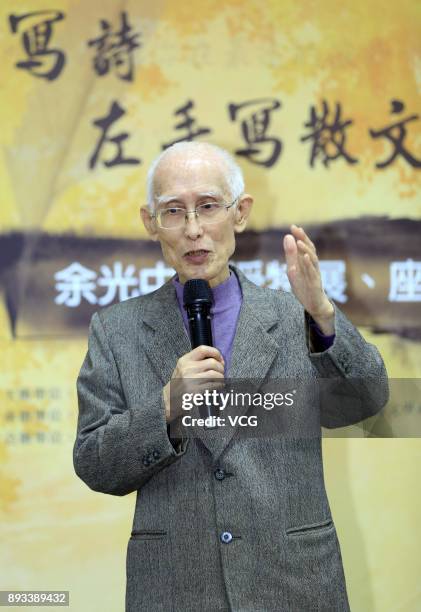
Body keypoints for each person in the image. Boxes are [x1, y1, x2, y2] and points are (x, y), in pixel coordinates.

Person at [73, 141, 388, 612]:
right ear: (150, 223)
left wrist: (322, 315)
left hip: (294, 584)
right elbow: (94, 462)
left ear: (240, 213)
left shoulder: (293, 315)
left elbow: (366, 401)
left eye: (208, 207)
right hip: (176, 589)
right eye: (174, 211)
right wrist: (165, 408)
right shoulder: (116, 330)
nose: (194, 230)